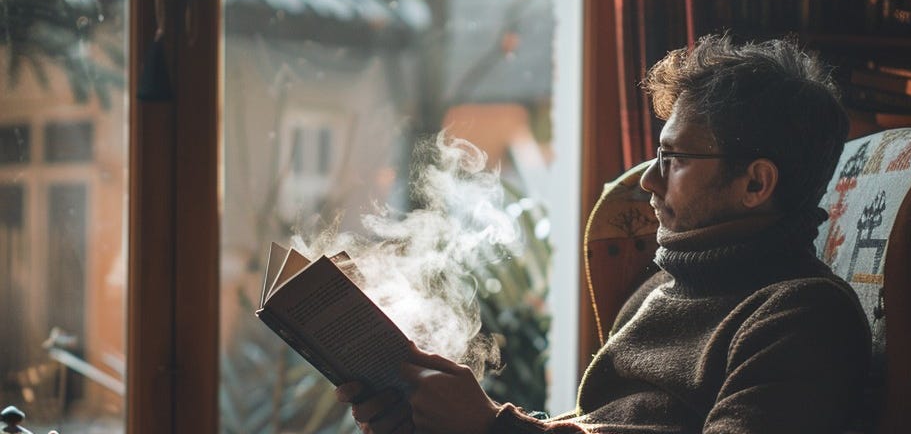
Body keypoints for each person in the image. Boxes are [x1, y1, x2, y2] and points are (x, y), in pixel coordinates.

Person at [335, 34, 871, 433]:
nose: (647, 179)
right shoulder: (663, 285)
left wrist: (494, 429)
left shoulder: (802, 316)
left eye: (674, 158)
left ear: (755, 182)